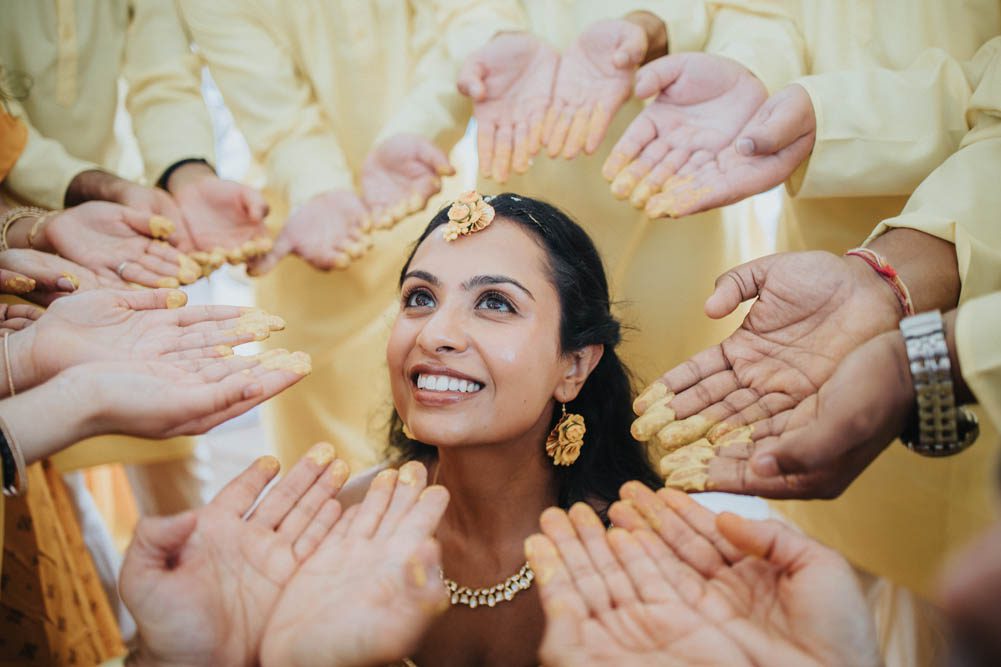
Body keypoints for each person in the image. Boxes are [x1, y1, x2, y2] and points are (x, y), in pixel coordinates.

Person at [179, 0, 524, 473]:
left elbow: (472, 19)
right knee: (324, 471)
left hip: (432, 217)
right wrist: (320, 190)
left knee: (445, 453)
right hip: (312, 239)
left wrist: (415, 132)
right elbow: (281, 118)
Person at [332, 192, 658, 665]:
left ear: (575, 365)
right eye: (420, 298)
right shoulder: (347, 522)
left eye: (495, 303)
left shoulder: (639, 553)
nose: (433, 335)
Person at [459, 1, 802, 394]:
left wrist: (657, 26)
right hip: (523, 138)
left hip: (676, 157)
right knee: (512, 366)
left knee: (671, 378)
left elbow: (762, 14)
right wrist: (496, 36)